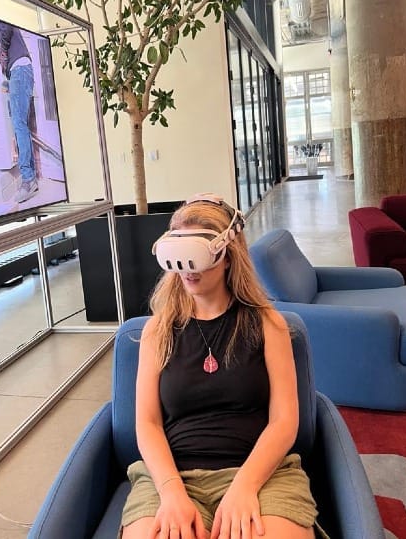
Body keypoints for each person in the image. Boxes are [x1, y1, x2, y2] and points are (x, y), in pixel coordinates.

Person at [120, 193, 325, 539]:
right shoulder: (158, 331)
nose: (188, 270)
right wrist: (171, 492)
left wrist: (245, 487)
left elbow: (284, 421)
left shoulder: (268, 325)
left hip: (261, 473)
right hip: (173, 476)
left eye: (197, 256)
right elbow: (148, 423)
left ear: (227, 255)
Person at [0, 20, 38, 203]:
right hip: (19, 70)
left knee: (19, 125)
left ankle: (28, 179)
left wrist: (3, 51)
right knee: (21, 125)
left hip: (19, 69)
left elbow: (6, 27)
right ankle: (31, 178)